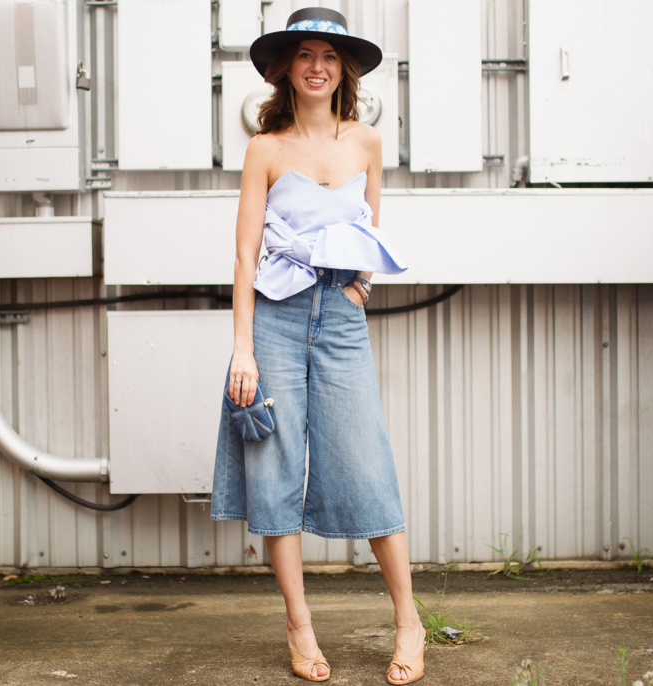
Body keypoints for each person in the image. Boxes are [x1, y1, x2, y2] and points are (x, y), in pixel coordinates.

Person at [210, 8, 425, 685]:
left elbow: (370, 224)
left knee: (367, 466)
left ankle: (409, 620)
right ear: (285, 68)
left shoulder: (366, 143)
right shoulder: (265, 149)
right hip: (272, 318)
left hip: (337, 320)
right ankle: (299, 626)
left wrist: (358, 284)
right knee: (273, 469)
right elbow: (245, 257)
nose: (317, 67)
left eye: (329, 56)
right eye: (305, 54)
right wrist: (241, 350)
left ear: (345, 70)